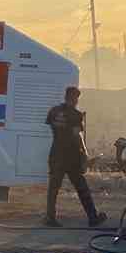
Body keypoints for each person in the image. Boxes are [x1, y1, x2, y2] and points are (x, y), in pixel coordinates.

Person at [44, 86, 106, 228]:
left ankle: (50, 217)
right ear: (75, 98)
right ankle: (93, 217)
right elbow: (77, 136)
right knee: (82, 188)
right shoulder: (76, 115)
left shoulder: (53, 112)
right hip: (71, 157)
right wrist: (84, 154)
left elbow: (55, 130)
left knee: (53, 188)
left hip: (55, 154)